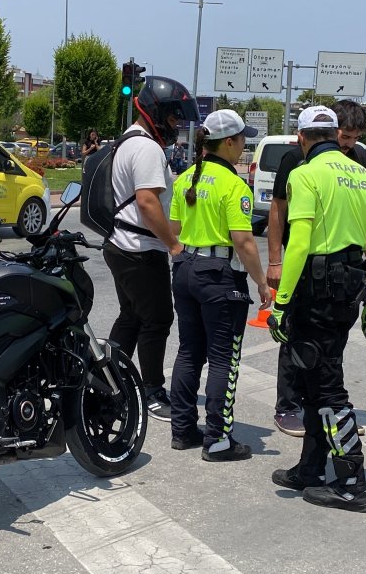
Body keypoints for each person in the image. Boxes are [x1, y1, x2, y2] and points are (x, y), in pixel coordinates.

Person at [267, 105, 366, 512]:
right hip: (347, 293)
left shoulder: (305, 174)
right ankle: (311, 468)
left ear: (302, 138)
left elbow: (299, 243)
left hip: (314, 293)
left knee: (327, 389)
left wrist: (281, 303)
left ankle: (352, 483)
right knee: (312, 383)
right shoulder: (365, 177)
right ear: (335, 134)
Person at [168, 110, 272, 461]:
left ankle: (183, 430)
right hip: (219, 275)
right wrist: (261, 282)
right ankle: (217, 440)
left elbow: (174, 229)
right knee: (223, 357)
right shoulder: (234, 185)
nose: (244, 146)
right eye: (242, 140)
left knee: (189, 351)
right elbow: (243, 241)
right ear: (228, 142)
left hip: (185, 268)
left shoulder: (186, 178)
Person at [104, 75, 199, 421]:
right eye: (173, 118)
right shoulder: (146, 148)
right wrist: (173, 245)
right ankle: (152, 391)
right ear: (156, 112)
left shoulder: (127, 140)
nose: (175, 125)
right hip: (140, 249)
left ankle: (107, 380)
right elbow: (146, 201)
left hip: (122, 245)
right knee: (157, 320)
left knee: (131, 316)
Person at [266, 127, 307, 437]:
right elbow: (278, 208)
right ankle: (288, 406)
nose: (347, 144)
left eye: (352, 138)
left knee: (330, 341)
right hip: (298, 261)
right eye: (344, 137)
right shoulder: (293, 159)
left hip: (337, 267)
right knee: (292, 332)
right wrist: (275, 261)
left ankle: (324, 404)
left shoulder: (359, 159)